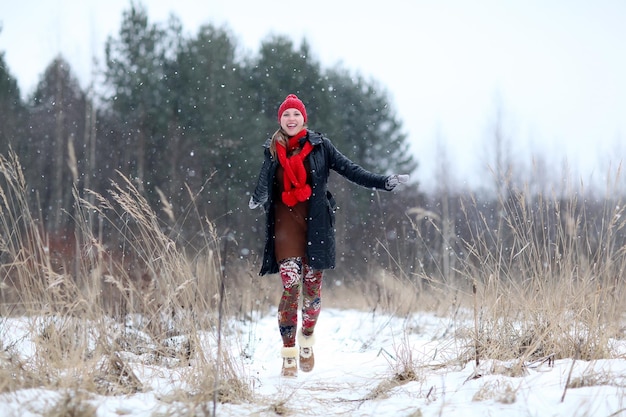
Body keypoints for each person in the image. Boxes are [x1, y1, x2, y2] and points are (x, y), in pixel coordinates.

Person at [249, 94, 409, 377]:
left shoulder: (321, 147)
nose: (291, 119)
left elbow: (351, 171)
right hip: (285, 224)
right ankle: (288, 354)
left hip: (316, 225)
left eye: (296, 115)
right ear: (280, 120)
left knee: (311, 296)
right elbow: (263, 185)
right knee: (291, 286)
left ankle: (307, 339)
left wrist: (383, 182)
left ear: (303, 118)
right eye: (286, 115)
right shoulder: (273, 148)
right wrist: (257, 197)